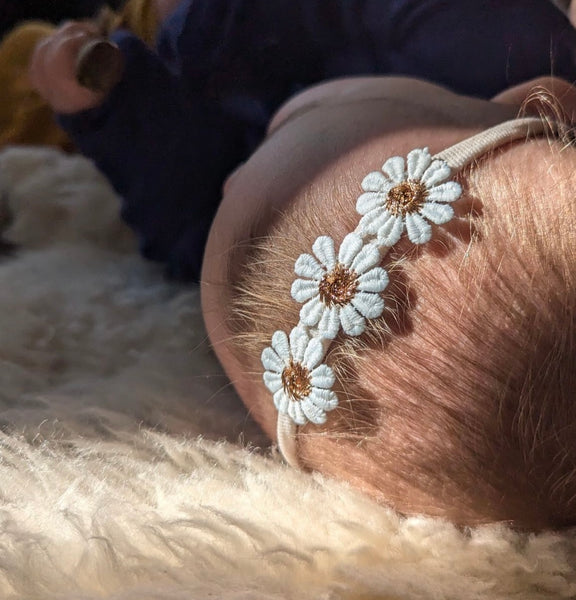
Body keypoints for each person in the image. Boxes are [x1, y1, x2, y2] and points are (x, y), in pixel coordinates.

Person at [30, 0, 576, 529]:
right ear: (531, 102)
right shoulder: (499, 48)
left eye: (232, 197)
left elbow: (179, 216)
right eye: (308, 127)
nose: (233, 180)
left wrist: (113, 111)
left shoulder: (252, 275)